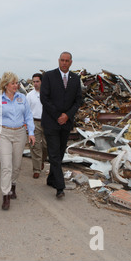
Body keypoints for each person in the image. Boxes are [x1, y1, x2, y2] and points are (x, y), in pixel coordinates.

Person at [0, 71, 35, 210]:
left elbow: (28, 116)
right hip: (3, 134)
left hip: (20, 133)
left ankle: (13, 184)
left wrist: (31, 133)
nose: (16, 85)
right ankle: (6, 195)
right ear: (5, 84)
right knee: (6, 166)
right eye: (13, 83)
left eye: (17, 83)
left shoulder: (22, 98)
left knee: (16, 165)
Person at [40, 52, 82, 198]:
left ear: (71, 62)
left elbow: (78, 101)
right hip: (51, 122)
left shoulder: (76, 79)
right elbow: (44, 98)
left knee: (60, 152)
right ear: (58, 61)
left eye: (66, 61)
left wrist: (67, 115)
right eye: (62, 60)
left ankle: (51, 178)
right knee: (53, 153)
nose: (64, 63)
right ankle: (60, 187)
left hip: (66, 123)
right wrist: (58, 115)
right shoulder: (49, 76)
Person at [26, 73, 47, 179]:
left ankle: (42, 160)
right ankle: (36, 169)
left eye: (37, 81)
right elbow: (26, 111)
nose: (35, 84)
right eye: (33, 81)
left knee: (46, 146)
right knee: (35, 146)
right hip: (34, 122)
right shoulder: (29, 96)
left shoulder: (48, 93)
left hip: (47, 122)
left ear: (42, 82)